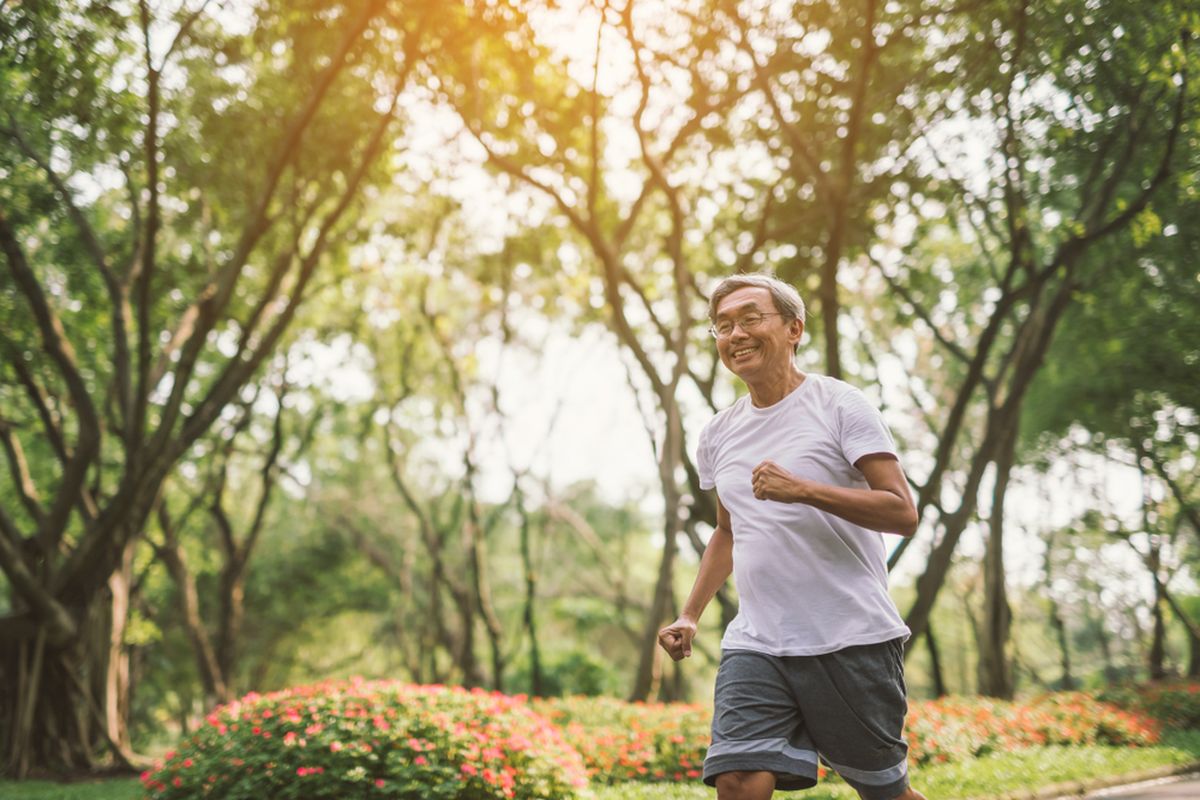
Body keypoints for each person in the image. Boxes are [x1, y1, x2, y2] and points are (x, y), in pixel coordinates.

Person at [658, 273, 926, 800]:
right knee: (736, 778)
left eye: (750, 318)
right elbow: (728, 531)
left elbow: (902, 512)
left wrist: (804, 489)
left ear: (794, 328)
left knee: (885, 793)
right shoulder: (717, 434)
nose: (735, 334)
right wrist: (690, 613)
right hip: (757, 638)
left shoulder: (841, 405)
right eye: (723, 325)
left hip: (849, 633)